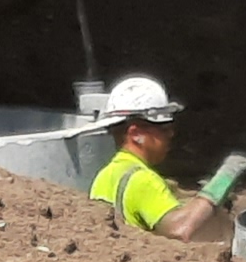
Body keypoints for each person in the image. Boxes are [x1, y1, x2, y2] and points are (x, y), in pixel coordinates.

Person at [89, 76, 234, 245]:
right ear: (136, 134)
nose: (171, 134)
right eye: (163, 128)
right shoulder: (142, 180)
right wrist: (223, 180)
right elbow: (180, 229)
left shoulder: (104, 176)